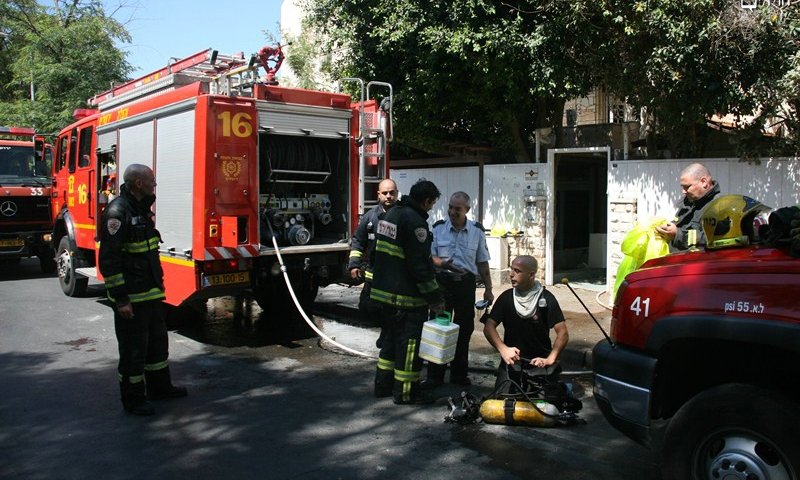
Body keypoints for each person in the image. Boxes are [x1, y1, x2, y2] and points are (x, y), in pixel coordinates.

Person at [98, 164, 187, 416]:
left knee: (157, 345)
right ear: (138, 183)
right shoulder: (117, 212)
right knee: (133, 351)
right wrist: (121, 299)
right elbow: (110, 260)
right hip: (132, 299)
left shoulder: (141, 208)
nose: (154, 184)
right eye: (151, 180)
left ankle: (160, 388)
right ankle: (133, 399)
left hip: (151, 294)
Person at [370, 179, 444, 405]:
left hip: (385, 295)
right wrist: (434, 298)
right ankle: (406, 392)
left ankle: (382, 386)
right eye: (431, 204)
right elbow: (419, 266)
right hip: (407, 299)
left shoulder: (391, 214)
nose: (431, 208)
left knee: (390, 341)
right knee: (409, 345)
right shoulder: (415, 223)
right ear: (427, 200)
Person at [424, 191, 493, 387]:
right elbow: (430, 259)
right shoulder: (437, 229)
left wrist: (489, 289)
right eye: (451, 207)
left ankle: (458, 375)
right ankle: (434, 376)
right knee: (439, 328)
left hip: (465, 285)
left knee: (464, 330)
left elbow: (482, 262)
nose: (453, 212)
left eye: (458, 209)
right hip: (443, 285)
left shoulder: (477, 231)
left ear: (467, 210)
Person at [482, 255, 568, 393]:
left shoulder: (546, 299)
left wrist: (550, 359)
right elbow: (489, 327)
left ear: (531, 275)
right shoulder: (506, 298)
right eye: (511, 269)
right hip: (512, 361)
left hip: (540, 362)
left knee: (549, 407)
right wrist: (503, 349)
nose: (511, 274)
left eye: (517, 271)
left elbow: (562, 333)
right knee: (501, 405)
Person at [348, 178, 398, 321]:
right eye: (385, 193)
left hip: (396, 278)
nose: (388, 196)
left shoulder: (404, 216)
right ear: (379, 194)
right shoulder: (370, 217)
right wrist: (354, 265)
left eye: (392, 192)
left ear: (397, 193)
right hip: (373, 276)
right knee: (367, 309)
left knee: (392, 314)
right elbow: (358, 241)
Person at [655, 162, 721, 251]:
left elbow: (713, 240)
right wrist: (666, 229)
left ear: (704, 182)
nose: (683, 191)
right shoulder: (688, 202)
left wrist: (677, 235)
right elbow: (678, 226)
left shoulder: (719, 207)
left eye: (687, 187)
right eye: (682, 187)